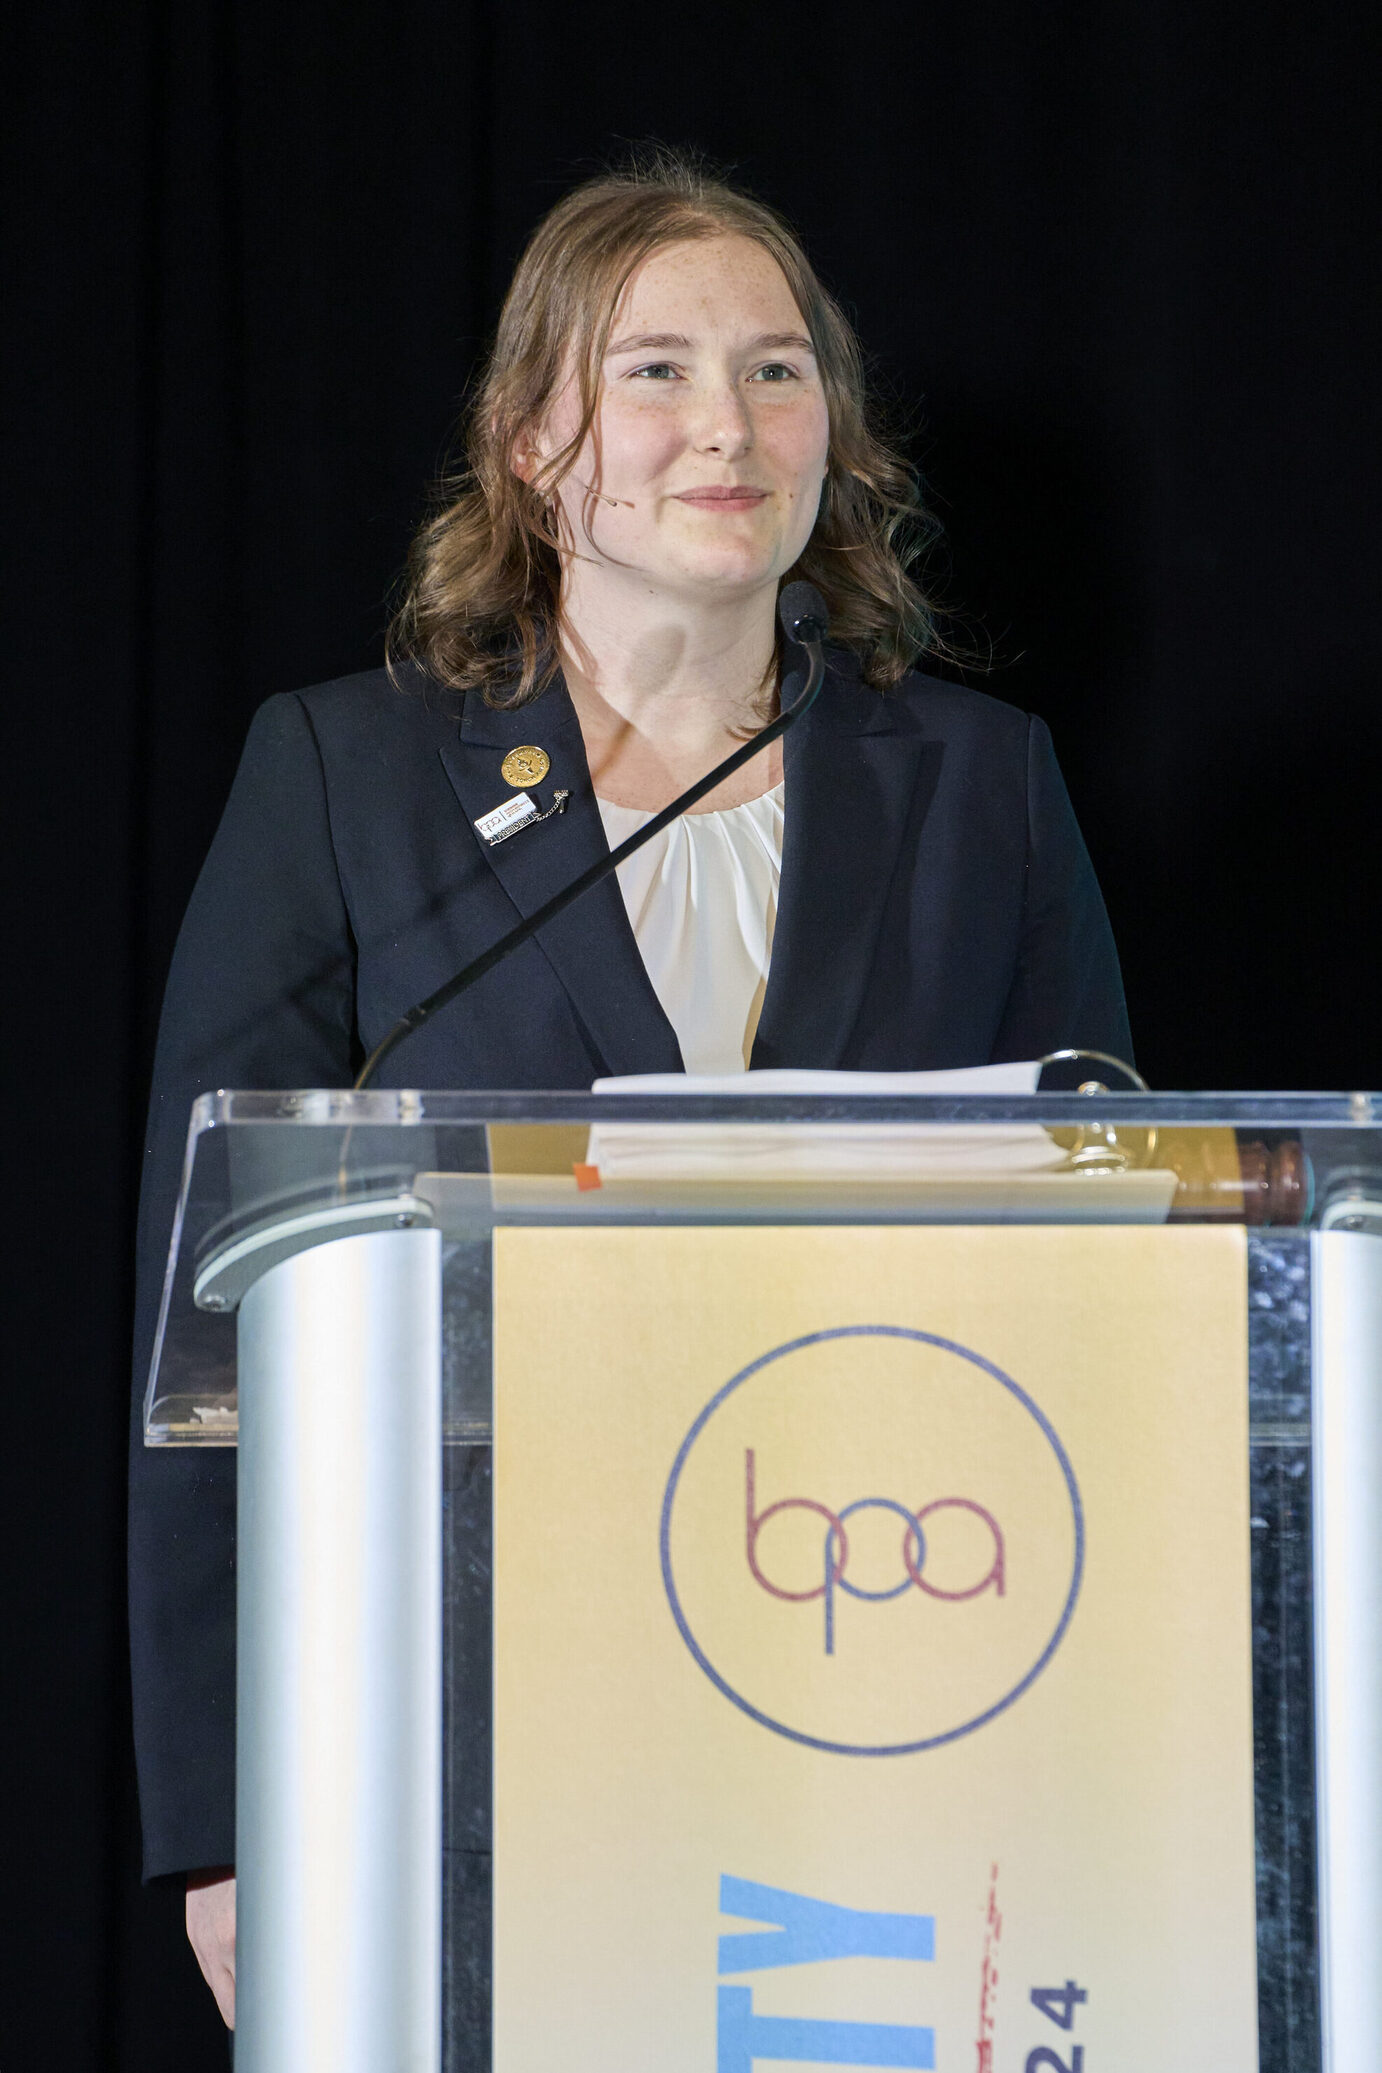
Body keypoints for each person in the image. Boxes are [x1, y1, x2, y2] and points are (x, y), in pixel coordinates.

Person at [130, 148, 1130, 2036]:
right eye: (654, 369)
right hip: (451, 1711)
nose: (725, 424)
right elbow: (206, 1315)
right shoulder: (348, 775)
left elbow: (1107, 1266)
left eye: (775, 368)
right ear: (531, 438)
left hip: (887, 1689)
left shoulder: (978, 784)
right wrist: (223, 1806)